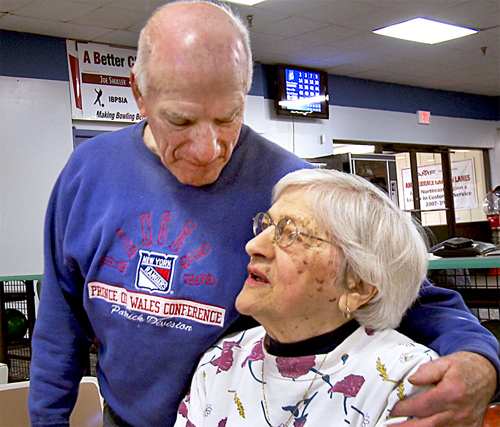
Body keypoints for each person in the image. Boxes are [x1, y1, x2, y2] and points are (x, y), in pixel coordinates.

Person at [28, 1, 498, 427]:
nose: (207, 149)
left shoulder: (295, 191)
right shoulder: (88, 172)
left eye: (228, 117)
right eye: (182, 121)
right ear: (139, 93)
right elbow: (59, 322)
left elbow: (397, 288)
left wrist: (482, 361)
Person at [174, 167, 439, 426]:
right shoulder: (223, 360)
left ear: (357, 286)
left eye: (290, 234)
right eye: (267, 225)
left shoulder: (408, 379)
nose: (253, 246)